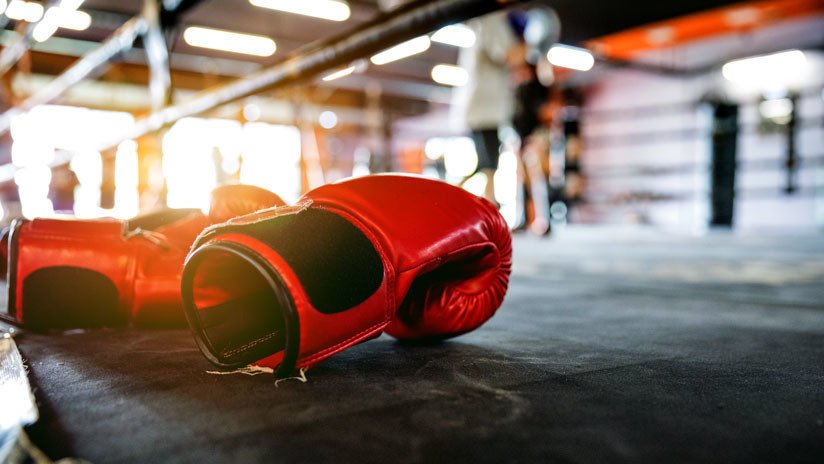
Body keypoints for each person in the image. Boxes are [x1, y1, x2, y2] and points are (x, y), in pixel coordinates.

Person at [452, 11, 517, 205]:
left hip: (482, 109)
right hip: (485, 110)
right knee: (489, 164)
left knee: (485, 163)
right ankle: (491, 205)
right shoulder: (491, 19)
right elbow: (507, 55)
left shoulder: (485, 20)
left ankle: (452, 196)